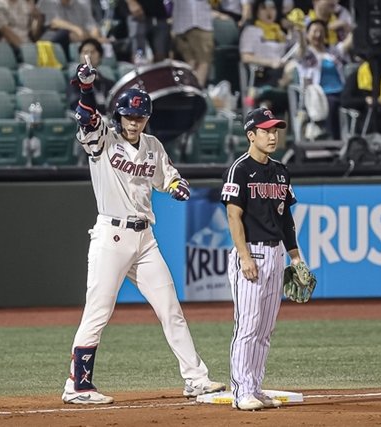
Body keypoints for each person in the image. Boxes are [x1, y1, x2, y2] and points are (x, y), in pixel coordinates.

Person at [61, 61, 226, 405]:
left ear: (147, 118)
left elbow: (168, 177)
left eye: (139, 117)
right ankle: (77, 384)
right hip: (111, 236)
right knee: (98, 311)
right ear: (119, 115)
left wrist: (178, 186)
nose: (133, 122)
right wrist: (86, 88)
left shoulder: (153, 146)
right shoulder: (103, 140)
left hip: (145, 239)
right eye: (128, 116)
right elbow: (86, 118)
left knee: (170, 307)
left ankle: (196, 378)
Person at [220, 107, 303, 411]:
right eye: (266, 130)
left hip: (276, 254)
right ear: (251, 135)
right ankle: (241, 391)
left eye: (276, 130)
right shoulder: (240, 169)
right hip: (251, 253)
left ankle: (254, 387)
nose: (273, 135)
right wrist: (244, 257)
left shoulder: (281, 171)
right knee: (248, 326)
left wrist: (296, 258)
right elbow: (233, 214)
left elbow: (287, 220)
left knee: (265, 329)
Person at [36, 0, 101, 62]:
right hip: (50, 43)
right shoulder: (47, 2)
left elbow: (93, 27)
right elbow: (54, 22)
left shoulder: (81, 4)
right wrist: (77, 29)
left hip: (80, 39)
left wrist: (94, 37)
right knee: (65, 34)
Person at [171, 0, 214, 88]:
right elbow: (215, 2)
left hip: (180, 25)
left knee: (190, 62)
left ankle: (189, 92)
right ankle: (196, 94)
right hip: (200, 24)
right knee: (203, 62)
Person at [66, 38, 115, 113]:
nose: (88, 56)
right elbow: (76, 105)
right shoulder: (74, 82)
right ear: (80, 56)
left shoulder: (109, 83)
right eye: (85, 52)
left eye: (92, 52)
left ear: (100, 56)